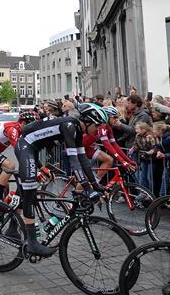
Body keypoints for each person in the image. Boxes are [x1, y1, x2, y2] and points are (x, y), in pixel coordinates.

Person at [15, 103, 104, 257]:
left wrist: (96, 185)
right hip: (26, 146)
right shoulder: (69, 126)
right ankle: (31, 243)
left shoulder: (77, 130)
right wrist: (88, 189)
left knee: (25, 191)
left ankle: (11, 228)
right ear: (89, 121)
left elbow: (82, 159)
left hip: (34, 149)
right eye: (97, 126)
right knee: (30, 192)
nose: (98, 131)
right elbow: (73, 161)